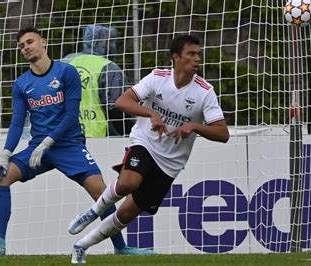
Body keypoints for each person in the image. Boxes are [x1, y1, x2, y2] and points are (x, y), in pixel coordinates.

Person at [0, 25, 152, 256]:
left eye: (30, 42)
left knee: (101, 193)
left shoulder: (66, 72)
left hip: (69, 146)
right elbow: (17, 121)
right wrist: (5, 153)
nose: (26, 48)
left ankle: (121, 248)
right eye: (21, 46)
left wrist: (48, 142)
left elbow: (72, 114)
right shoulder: (22, 84)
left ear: (43, 42)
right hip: (37, 150)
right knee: (0, 178)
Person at [67, 34, 230, 263]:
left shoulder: (204, 92)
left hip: (171, 164)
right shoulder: (157, 77)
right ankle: (92, 211)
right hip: (145, 142)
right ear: (176, 57)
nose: (196, 59)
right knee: (128, 183)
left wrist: (194, 126)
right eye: (191, 54)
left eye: (198, 55)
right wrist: (151, 113)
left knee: (126, 213)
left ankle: (81, 246)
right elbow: (122, 102)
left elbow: (223, 134)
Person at [62, 24, 133, 137]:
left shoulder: (67, 62)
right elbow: (116, 108)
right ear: (102, 43)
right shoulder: (108, 68)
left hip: (64, 134)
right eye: (111, 41)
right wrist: (128, 133)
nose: (113, 46)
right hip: (98, 135)